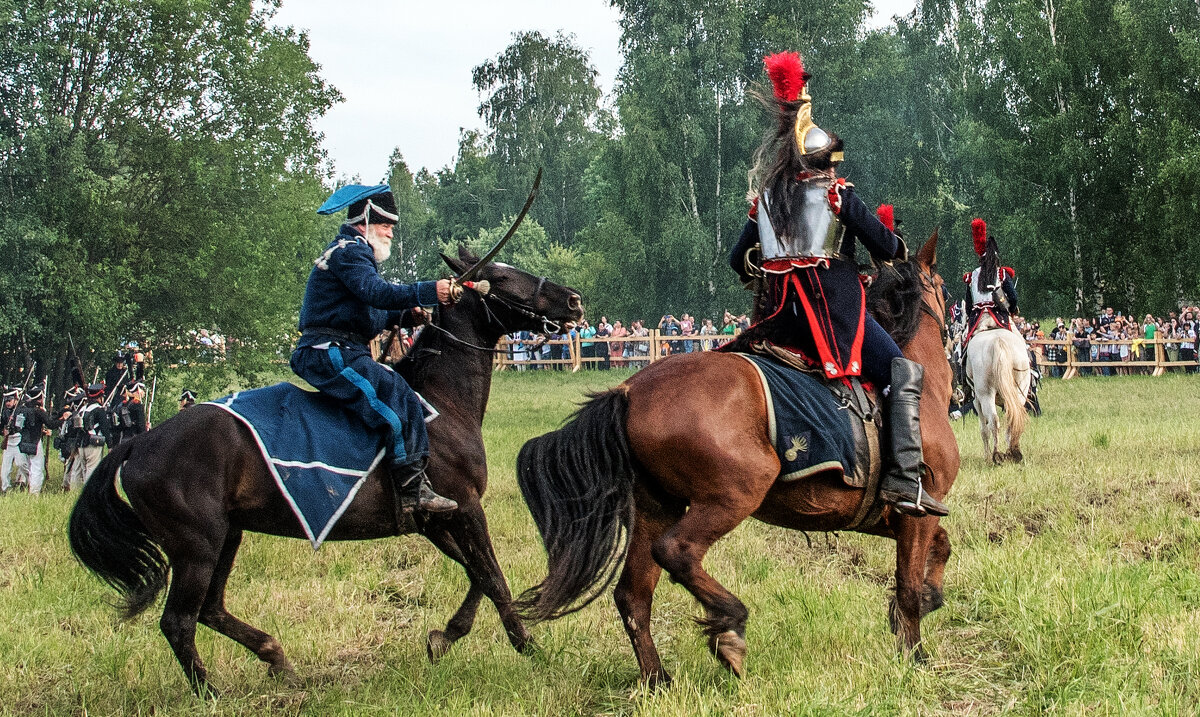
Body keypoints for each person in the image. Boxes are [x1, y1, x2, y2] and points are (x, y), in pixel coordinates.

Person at [728, 51, 946, 517]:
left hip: (777, 323)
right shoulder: (836, 196)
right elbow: (890, 249)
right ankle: (906, 479)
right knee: (901, 369)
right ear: (822, 163)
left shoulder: (764, 201)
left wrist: (771, 264)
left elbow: (738, 262)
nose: (833, 168)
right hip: (833, 320)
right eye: (830, 161)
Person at [290, 183, 457, 514]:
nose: (391, 233)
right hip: (328, 351)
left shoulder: (354, 253)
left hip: (340, 348)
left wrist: (408, 314)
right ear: (364, 219)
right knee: (394, 392)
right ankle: (411, 490)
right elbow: (376, 293)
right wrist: (428, 291)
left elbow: (373, 309)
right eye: (386, 225)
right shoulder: (349, 251)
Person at [962, 218, 1019, 348]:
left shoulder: (972, 276)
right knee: (1020, 344)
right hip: (999, 316)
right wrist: (1011, 308)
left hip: (978, 320)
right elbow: (1013, 297)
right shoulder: (1001, 273)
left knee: (964, 347)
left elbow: (969, 306)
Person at [11, 386, 61, 495]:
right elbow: (51, 424)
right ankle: (34, 492)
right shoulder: (38, 411)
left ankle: (31, 484)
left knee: (25, 465)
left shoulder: (20, 410)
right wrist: (63, 418)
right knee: (36, 468)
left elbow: (16, 426)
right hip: (35, 441)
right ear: (39, 398)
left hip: (22, 441)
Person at [65, 384, 111, 490]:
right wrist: (110, 445)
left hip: (81, 444)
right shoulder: (99, 410)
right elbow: (105, 429)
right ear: (100, 396)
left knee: (81, 470)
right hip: (93, 444)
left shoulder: (82, 409)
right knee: (91, 470)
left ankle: (75, 493)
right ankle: (88, 495)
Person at [1, 387, 23, 493]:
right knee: (5, 469)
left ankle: (23, 484)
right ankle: (6, 488)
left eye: (9, 401)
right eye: (6, 401)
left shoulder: (20, 411)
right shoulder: (4, 413)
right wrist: (3, 432)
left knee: (22, 464)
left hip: (19, 440)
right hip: (8, 441)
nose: (7, 403)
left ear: (15, 400)